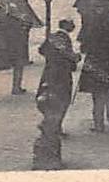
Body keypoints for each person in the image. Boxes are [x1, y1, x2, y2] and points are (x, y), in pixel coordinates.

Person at [32, 19, 78, 171]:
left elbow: (41, 50)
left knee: (51, 97)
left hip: (49, 72)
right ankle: (56, 126)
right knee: (62, 100)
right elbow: (68, 57)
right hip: (62, 75)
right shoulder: (64, 39)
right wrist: (75, 57)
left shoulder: (52, 36)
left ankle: (54, 125)